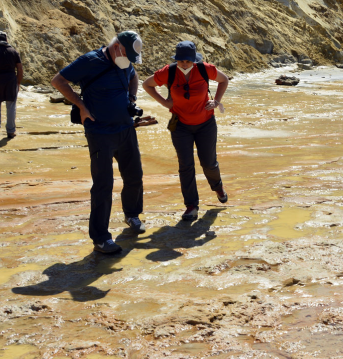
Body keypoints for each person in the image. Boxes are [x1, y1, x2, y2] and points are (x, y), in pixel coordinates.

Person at [50, 31, 146, 254]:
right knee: (103, 185)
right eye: (126, 55)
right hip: (100, 132)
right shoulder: (90, 61)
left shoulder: (126, 61)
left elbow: (134, 77)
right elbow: (58, 81)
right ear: (116, 47)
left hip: (126, 129)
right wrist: (81, 105)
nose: (128, 61)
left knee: (134, 176)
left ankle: (132, 215)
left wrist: (132, 98)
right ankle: (101, 238)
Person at [142, 40, 229, 221]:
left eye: (188, 61)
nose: (184, 64)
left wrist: (216, 101)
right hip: (180, 126)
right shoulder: (169, 72)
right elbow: (146, 84)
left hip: (205, 124)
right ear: (176, 59)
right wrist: (164, 102)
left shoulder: (205, 69)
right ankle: (191, 206)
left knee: (209, 163)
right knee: (186, 166)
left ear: (194, 60)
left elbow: (224, 80)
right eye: (181, 60)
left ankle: (217, 186)